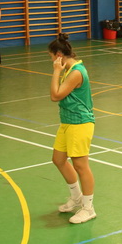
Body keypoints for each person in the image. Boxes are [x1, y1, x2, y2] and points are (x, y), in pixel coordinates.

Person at [49, 33, 97, 224]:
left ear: (59, 55)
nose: (52, 61)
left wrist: (56, 71)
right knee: (58, 159)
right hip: (67, 121)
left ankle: (88, 208)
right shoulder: (69, 70)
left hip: (80, 123)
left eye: (52, 57)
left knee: (80, 165)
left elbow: (55, 95)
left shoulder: (76, 72)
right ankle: (76, 197)